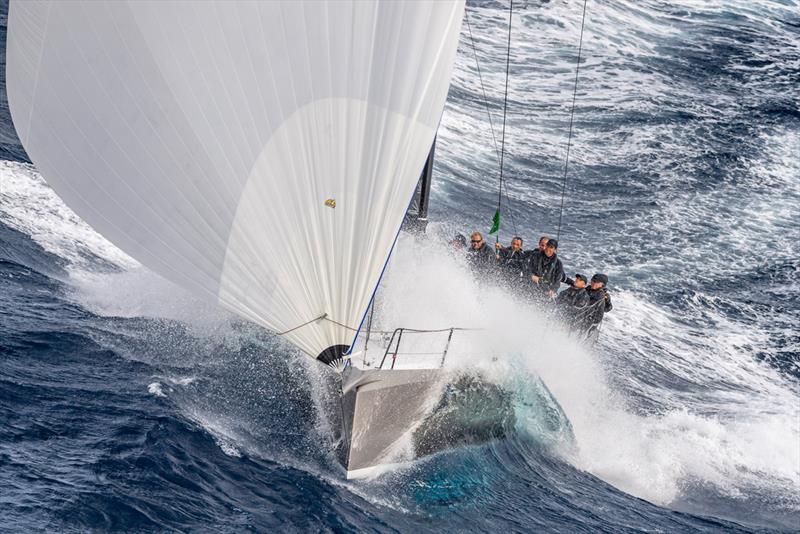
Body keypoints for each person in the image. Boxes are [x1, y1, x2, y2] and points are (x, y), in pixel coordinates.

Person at [583, 273, 612, 340]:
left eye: (596, 282)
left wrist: (607, 301)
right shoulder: (587, 289)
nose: (593, 283)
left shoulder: (604, 295)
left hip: (592, 320)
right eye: (593, 281)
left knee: (584, 335)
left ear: (602, 285)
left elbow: (608, 308)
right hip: (581, 315)